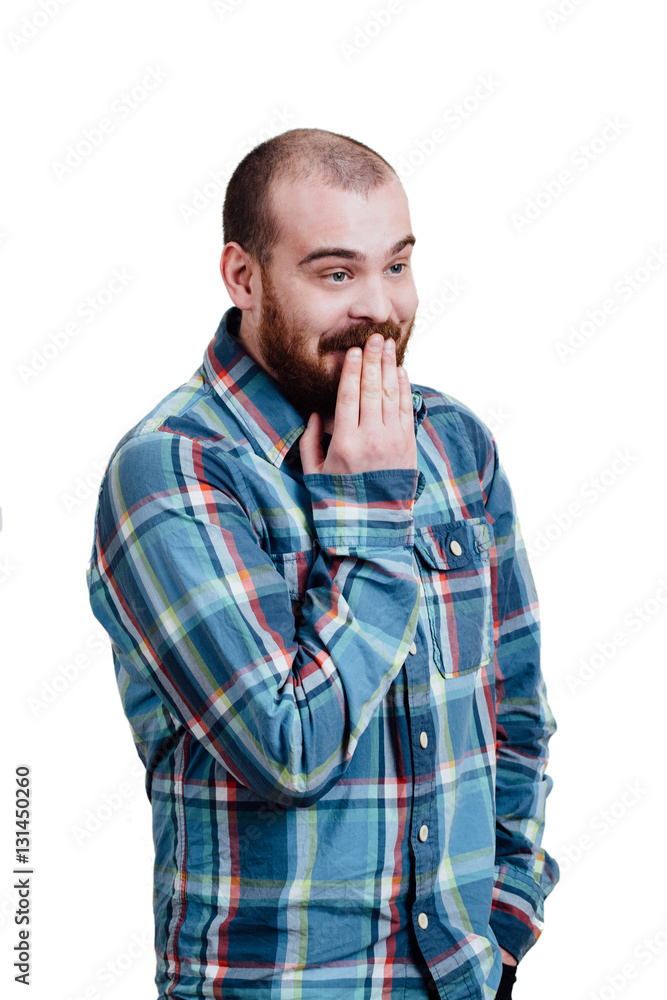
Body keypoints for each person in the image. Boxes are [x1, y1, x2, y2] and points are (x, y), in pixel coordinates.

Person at [86, 128, 559, 999]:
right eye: (336, 274)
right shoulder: (172, 472)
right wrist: (371, 518)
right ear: (243, 277)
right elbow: (288, 753)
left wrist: (503, 930)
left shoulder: (455, 445)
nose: (379, 308)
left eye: (396, 265)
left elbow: (514, 718)